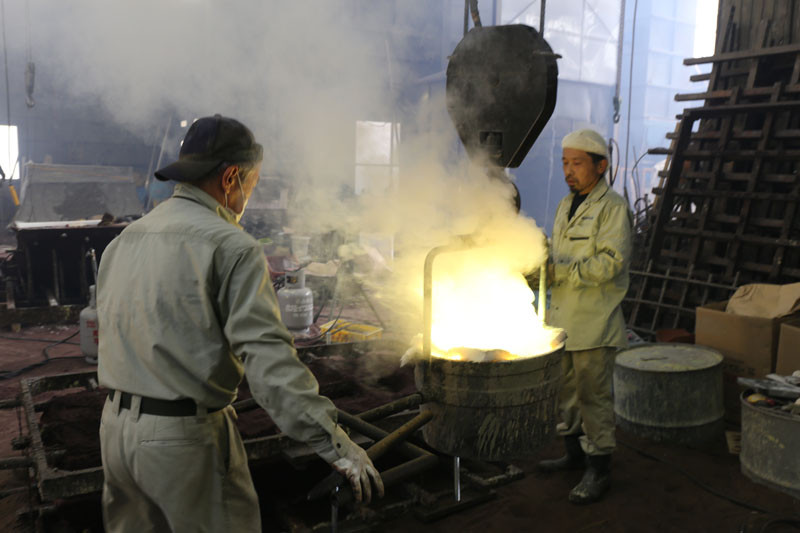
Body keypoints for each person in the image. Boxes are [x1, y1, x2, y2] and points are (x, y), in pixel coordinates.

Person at [96, 115, 383, 532]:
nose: (250, 194)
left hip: (115, 433)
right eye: (253, 183)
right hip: (183, 443)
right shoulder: (231, 246)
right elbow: (269, 366)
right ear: (231, 178)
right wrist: (334, 442)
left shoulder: (123, 241)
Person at [537, 128, 633, 504]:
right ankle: (574, 455)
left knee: (593, 397)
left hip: (594, 322)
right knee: (566, 395)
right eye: (564, 163)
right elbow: (556, 250)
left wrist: (562, 273)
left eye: (577, 163)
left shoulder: (613, 208)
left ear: (601, 165)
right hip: (563, 321)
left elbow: (612, 262)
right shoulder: (566, 205)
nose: (568, 171)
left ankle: (599, 468)